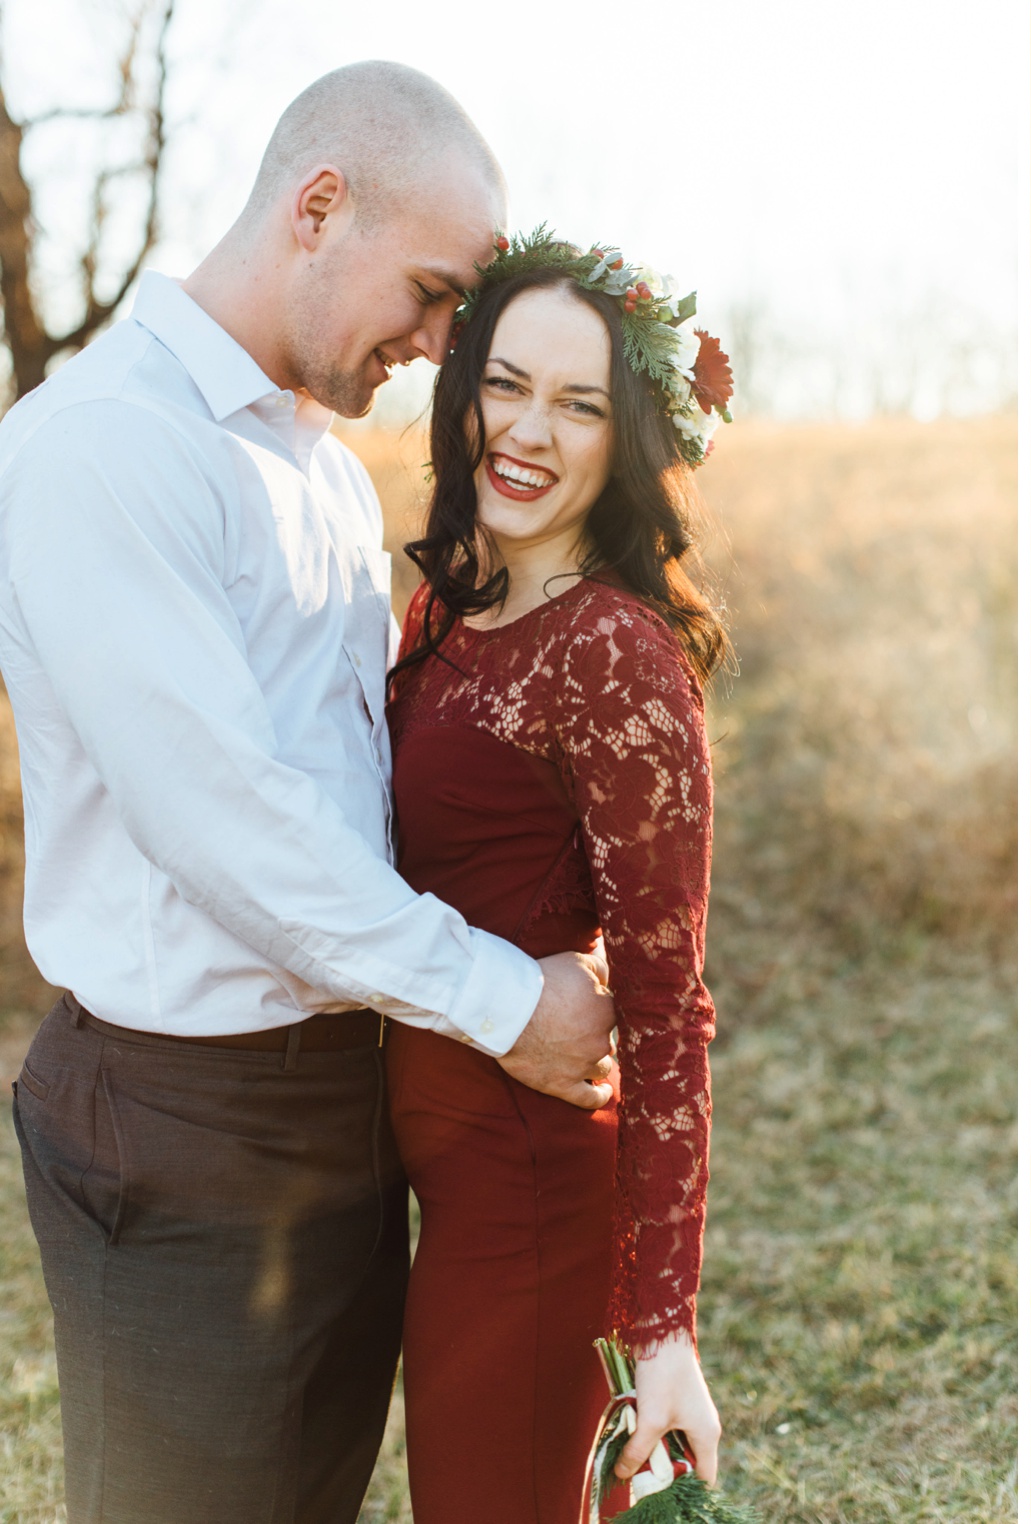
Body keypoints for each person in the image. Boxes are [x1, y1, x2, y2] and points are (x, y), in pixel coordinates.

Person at [0, 64, 618, 1524]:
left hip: (346, 1090)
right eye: (432, 292)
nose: (443, 342)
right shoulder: (101, 447)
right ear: (317, 208)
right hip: (181, 1109)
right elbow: (225, 825)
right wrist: (502, 1001)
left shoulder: (326, 474)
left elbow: (366, 786)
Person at [382, 235, 732, 1522]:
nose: (528, 431)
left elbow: (664, 1008)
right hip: (428, 1169)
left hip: (525, 1202)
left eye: (578, 405)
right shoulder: (447, 609)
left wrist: (660, 1333)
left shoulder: (613, 658)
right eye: (507, 384)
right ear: (462, 388)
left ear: (626, 437)